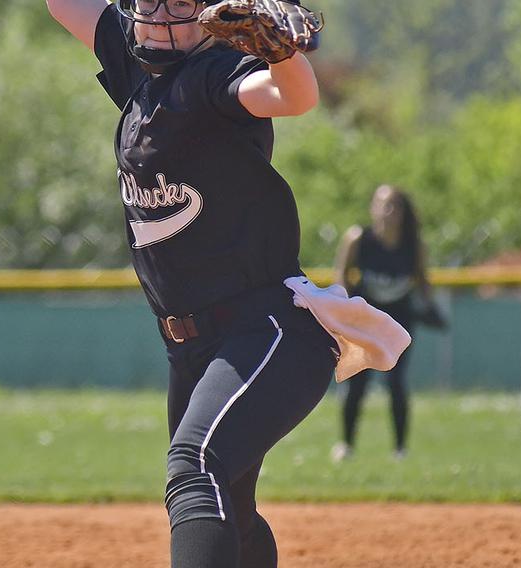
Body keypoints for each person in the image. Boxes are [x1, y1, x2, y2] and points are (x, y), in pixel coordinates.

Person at [46, 1, 338, 566]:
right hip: (193, 349)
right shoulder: (138, 70)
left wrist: (281, 50)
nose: (158, 14)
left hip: (267, 331)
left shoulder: (214, 73)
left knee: (196, 468)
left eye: (179, 1)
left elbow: (294, 97)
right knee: (229, 510)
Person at [331, 184, 438, 462]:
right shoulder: (358, 238)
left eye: (395, 206)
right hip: (364, 321)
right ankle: (346, 445)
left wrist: (429, 305)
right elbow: (341, 276)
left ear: (404, 212)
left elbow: (423, 280)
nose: (388, 211)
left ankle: (400, 448)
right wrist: (341, 312)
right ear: (372, 208)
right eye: (382, 204)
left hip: (398, 321)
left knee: (396, 382)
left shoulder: (414, 244)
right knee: (357, 381)